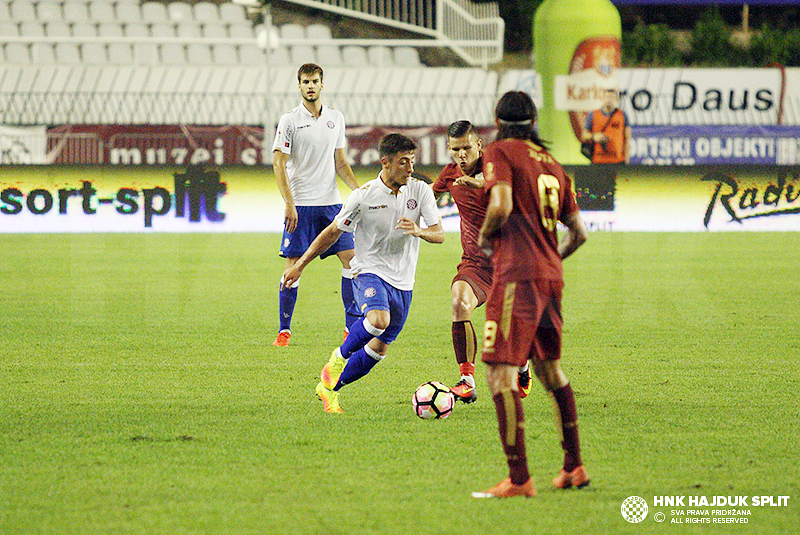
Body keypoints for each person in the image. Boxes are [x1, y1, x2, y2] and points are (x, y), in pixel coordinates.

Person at [472, 91, 590, 499]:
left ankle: (519, 478)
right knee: (549, 370)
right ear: (535, 119)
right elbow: (579, 233)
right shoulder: (553, 164)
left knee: (499, 373)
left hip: (517, 276)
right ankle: (573, 466)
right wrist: (549, 260)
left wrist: (486, 240)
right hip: (549, 278)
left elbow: (501, 206)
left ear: (497, 118)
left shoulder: (500, 152)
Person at [281, 134, 445, 413]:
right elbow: (333, 232)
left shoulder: (421, 191)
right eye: (403, 162)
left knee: (378, 350)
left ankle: (331, 389)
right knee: (378, 319)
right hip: (369, 270)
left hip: (404, 281)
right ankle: (337, 357)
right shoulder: (363, 196)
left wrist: (419, 231)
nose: (410, 168)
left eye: (412, 161)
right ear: (385, 162)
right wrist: (300, 265)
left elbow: (439, 234)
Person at [432, 121, 532, 404]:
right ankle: (466, 381)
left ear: (479, 145)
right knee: (459, 302)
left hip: (510, 260)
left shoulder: (498, 167)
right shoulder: (450, 174)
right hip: (475, 263)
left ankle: (523, 365)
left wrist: (481, 183)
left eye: (466, 148)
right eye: (455, 149)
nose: (461, 155)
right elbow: (429, 193)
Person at [271, 63, 361, 347]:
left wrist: (359, 192)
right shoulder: (289, 120)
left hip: (332, 204)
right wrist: (289, 203)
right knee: (293, 266)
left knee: (351, 260)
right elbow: (279, 163)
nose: (310, 86)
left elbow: (341, 162)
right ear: (299, 86)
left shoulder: (336, 118)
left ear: (323, 84)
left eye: (315, 81)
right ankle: (284, 331)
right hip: (302, 205)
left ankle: (350, 328)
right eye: (305, 82)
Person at [580, 87, 631, 164]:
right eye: (607, 97)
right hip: (598, 160)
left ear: (616, 100)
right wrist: (594, 136)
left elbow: (627, 139)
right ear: (603, 99)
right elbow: (584, 135)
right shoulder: (593, 114)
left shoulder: (622, 115)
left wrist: (626, 160)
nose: (609, 100)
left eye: (612, 97)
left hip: (617, 161)